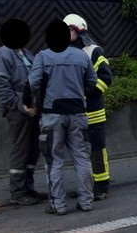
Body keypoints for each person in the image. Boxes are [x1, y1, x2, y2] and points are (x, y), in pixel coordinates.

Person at [29, 19, 97, 215]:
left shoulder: (43, 56)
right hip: (78, 114)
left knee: (54, 161)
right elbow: (92, 82)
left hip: (52, 117)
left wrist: (30, 103)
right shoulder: (81, 56)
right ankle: (86, 202)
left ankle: (58, 205)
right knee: (82, 159)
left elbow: (32, 84)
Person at [0, 18, 44, 206]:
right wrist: (20, 105)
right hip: (18, 112)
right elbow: (0, 85)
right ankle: (18, 192)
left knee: (33, 149)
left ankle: (29, 187)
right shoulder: (3, 55)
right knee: (20, 150)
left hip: (34, 110)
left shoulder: (27, 54)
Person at [65, 13, 113, 201]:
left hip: (93, 111)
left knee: (97, 149)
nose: (66, 34)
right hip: (73, 112)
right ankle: (87, 186)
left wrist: (86, 92)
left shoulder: (93, 51)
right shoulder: (62, 51)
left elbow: (105, 78)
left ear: (79, 30)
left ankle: (101, 186)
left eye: (69, 30)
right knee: (80, 152)